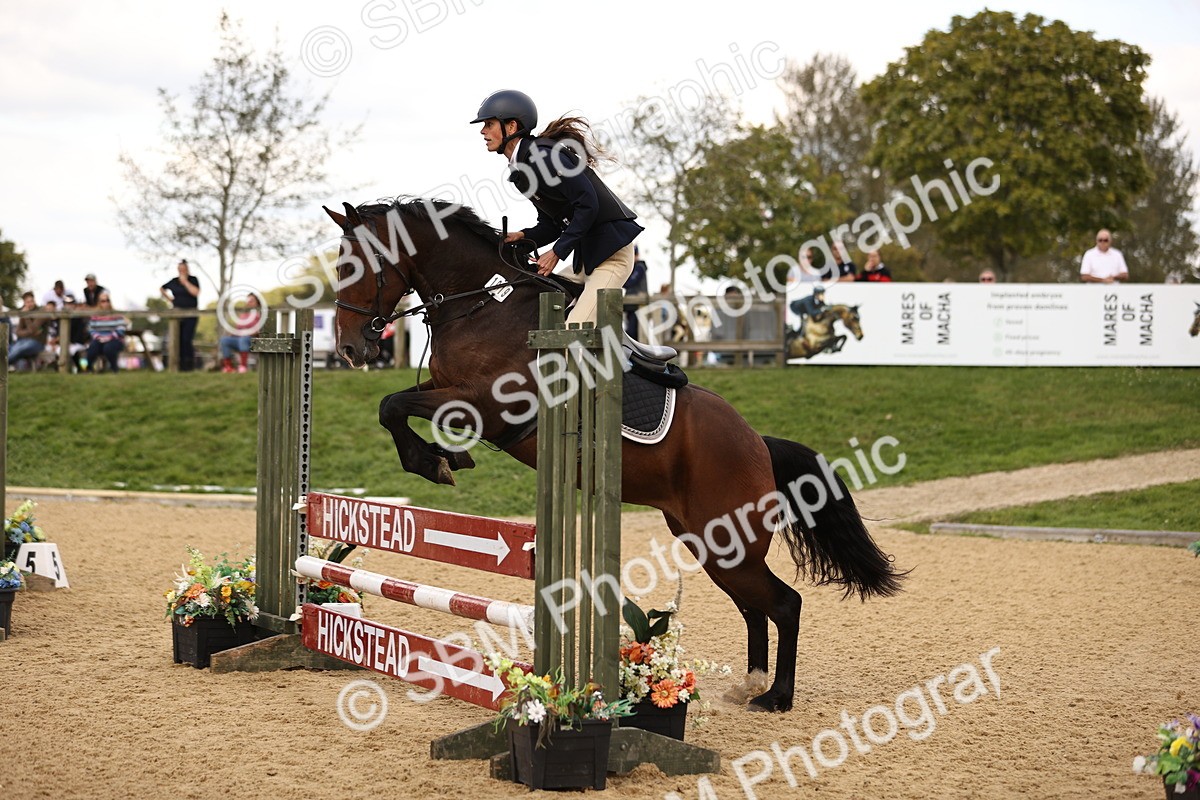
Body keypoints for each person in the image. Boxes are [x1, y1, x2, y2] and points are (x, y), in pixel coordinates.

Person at [473, 90, 644, 327]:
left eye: (489, 124)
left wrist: (556, 253)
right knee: (538, 306)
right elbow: (553, 225)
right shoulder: (522, 169)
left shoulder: (544, 157)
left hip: (612, 257)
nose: (483, 131)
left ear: (511, 127)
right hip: (588, 259)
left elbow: (588, 204)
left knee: (571, 331)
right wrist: (523, 236)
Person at [161, 259, 200, 371]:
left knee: (187, 339)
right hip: (177, 313)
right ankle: (179, 365)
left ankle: (189, 364)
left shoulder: (193, 280)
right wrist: (171, 300)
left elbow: (196, 292)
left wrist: (185, 283)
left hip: (191, 313)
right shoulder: (174, 281)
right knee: (178, 339)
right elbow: (162, 288)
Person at [218, 293, 261, 373]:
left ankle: (243, 367)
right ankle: (228, 367)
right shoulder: (243, 314)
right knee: (224, 340)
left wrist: (247, 333)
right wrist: (233, 333)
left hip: (253, 340)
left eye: (252, 300)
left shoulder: (260, 314)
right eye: (248, 300)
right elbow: (238, 328)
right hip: (240, 338)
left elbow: (260, 330)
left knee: (243, 339)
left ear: (257, 302)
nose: (249, 302)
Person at [86, 292, 127, 372]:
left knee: (108, 348)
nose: (106, 303)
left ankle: (114, 368)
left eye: (107, 300)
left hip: (115, 339)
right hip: (99, 339)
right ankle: (89, 368)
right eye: (103, 301)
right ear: (99, 302)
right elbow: (91, 329)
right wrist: (98, 337)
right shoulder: (95, 315)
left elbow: (121, 329)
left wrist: (109, 337)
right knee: (92, 347)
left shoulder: (117, 314)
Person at [9, 292, 48, 370]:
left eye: (31, 301)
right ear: (24, 303)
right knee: (11, 348)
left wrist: (26, 316)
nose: (30, 304)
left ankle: (2, 365)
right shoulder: (23, 312)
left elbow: (32, 329)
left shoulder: (42, 312)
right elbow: (18, 332)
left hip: (37, 342)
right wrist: (30, 332)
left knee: (19, 349)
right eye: (27, 302)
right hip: (23, 341)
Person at [622, 245, 650, 338]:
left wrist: (619, 280)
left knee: (635, 332)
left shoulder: (639, 267)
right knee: (631, 331)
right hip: (631, 305)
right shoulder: (632, 267)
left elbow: (630, 282)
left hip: (637, 305)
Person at [64, 292, 91, 371]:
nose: (69, 305)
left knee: (75, 351)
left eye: (71, 303)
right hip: (66, 343)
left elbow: (81, 334)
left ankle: (82, 369)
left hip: (80, 342)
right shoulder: (61, 317)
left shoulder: (80, 317)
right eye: (67, 303)